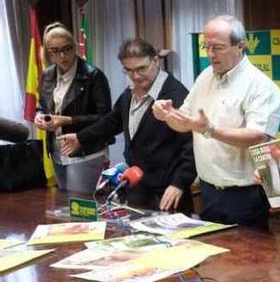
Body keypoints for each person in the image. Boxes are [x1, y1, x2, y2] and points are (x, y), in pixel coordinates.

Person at [153, 15, 280, 229]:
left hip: (244, 194)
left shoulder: (260, 85)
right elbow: (185, 123)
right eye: (207, 47)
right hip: (208, 190)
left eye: (218, 48)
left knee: (247, 260)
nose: (210, 54)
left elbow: (258, 136)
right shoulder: (205, 76)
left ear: (240, 46)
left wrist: (210, 130)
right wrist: (166, 114)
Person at [57, 39, 196, 213]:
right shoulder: (131, 92)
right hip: (138, 187)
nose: (136, 76)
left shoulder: (177, 95)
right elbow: (112, 121)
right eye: (129, 70)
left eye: (141, 69)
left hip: (168, 192)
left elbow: (190, 146)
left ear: (156, 60)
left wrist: (179, 183)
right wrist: (80, 137)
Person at [33, 22, 112, 194]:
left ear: (74, 46)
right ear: (48, 52)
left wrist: (67, 120)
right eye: (55, 51)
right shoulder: (47, 75)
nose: (62, 56)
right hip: (57, 150)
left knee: (82, 206)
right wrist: (38, 116)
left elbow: (106, 119)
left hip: (86, 151)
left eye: (66, 49)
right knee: (65, 205)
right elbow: (42, 105)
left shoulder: (93, 75)